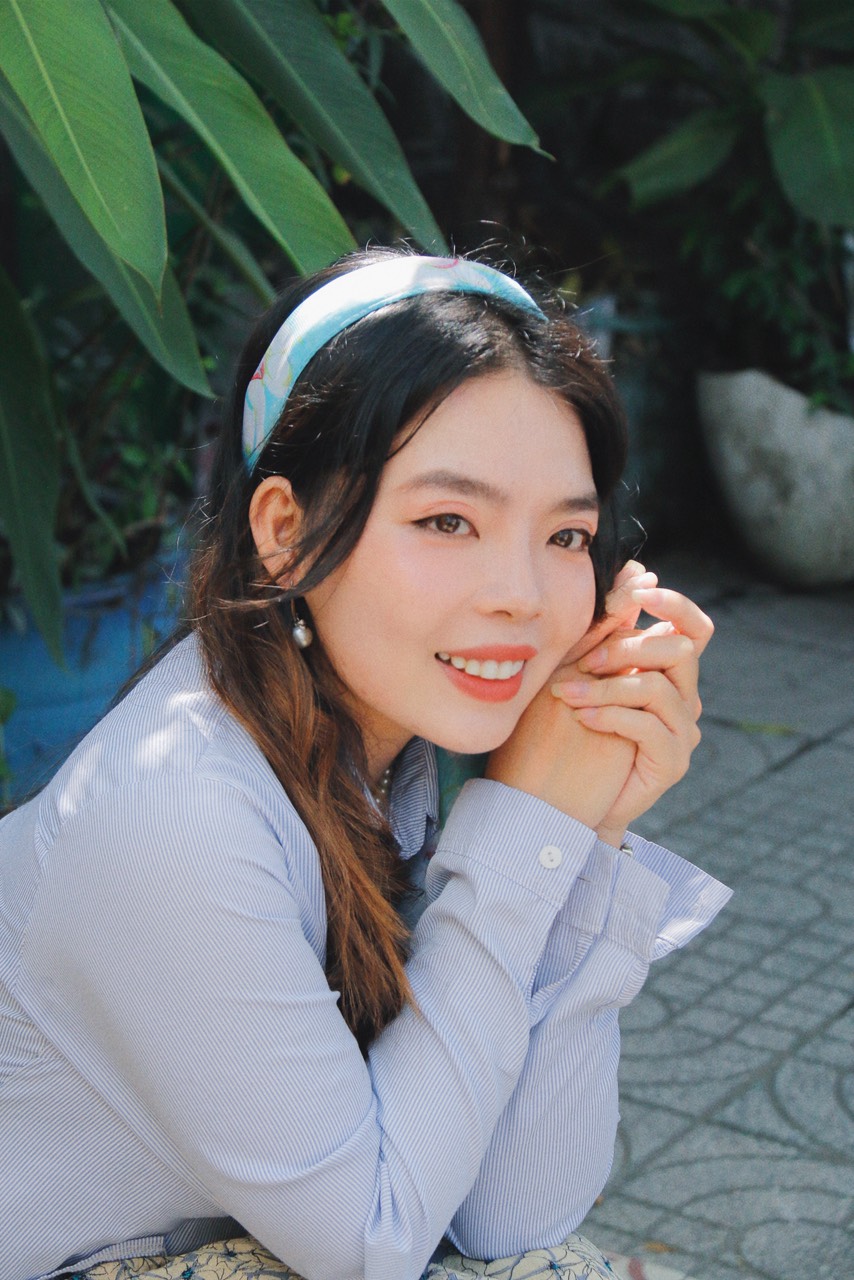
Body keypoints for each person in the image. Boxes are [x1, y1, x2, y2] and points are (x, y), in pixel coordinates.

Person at [0, 250, 731, 1280]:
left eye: (567, 535)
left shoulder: (385, 756)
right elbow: (371, 1247)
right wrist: (526, 827)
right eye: (447, 521)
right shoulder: (178, 813)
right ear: (286, 533)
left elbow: (513, 1214)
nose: (523, 595)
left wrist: (584, 830)